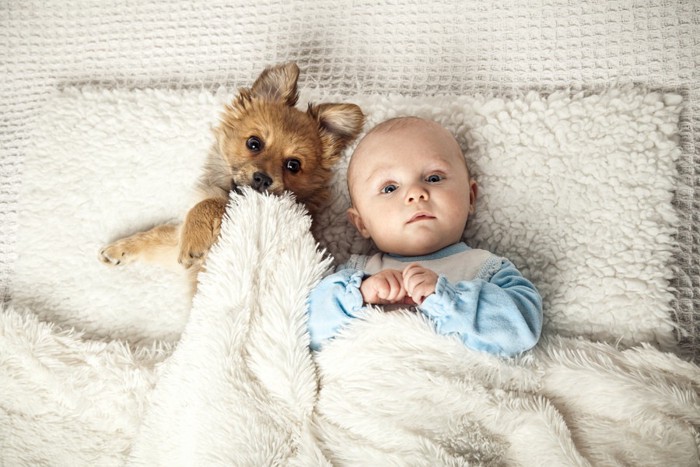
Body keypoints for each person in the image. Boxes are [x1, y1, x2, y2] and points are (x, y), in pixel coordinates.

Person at [307, 117, 542, 356]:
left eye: (433, 178)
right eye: (389, 188)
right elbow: (310, 331)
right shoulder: (357, 275)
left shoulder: (486, 268)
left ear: (470, 197)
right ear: (361, 223)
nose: (416, 193)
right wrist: (362, 294)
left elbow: (523, 328)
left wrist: (449, 298)